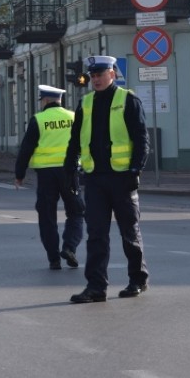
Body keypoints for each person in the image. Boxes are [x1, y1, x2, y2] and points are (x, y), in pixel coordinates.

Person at [64, 55, 150, 303]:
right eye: (93, 76)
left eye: (101, 75)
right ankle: (96, 287)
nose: (96, 80)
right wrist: (70, 169)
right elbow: (75, 141)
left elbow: (142, 138)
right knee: (96, 235)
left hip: (122, 179)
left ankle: (137, 279)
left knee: (129, 232)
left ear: (112, 74)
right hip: (95, 180)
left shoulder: (128, 100)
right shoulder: (85, 103)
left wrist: (136, 170)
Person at [14, 85, 85, 270]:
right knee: (76, 212)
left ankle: (54, 258)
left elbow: (26, 148)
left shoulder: (38, 119)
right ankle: (69, 247)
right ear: (60, 100)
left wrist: (19, 174)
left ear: (45, 100)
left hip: (46, 174)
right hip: (70, 172)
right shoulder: (73, 117)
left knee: (47, 216)